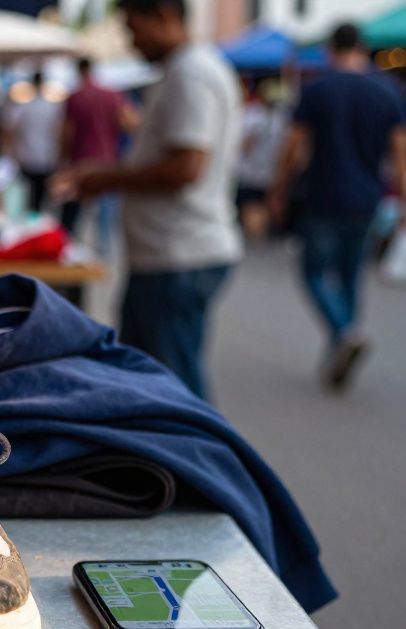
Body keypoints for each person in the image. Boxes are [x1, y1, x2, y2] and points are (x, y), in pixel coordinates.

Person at [51, 0, 242, 400]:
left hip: (178, 254)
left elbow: (185, 167)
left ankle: (194, 444)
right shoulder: (185, 70)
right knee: (148, 380)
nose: (131, 41)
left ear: (164, 17)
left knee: (173, 390)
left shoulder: (191, 73)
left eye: (134, 28)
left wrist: (107, 177)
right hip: (168, 254)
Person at [268, 24, 406, 392]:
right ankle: (344, 341)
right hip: (367, 199)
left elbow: (293, 148)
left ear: (330, 49)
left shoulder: (317, 89)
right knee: (350, 276)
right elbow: (402, 153)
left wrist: (278, 190)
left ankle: (344, 333)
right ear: (363, 49)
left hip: (323, 196)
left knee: (314, 273)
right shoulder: (388, 90)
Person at [58, 57, 138, 253]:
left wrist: (62, 160)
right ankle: (104, 256)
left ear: (78, 71)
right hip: (107, 161)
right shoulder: (112, 94)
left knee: (73, 218)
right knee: (105, 220)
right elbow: (129, 123)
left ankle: (71, 254)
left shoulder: (76, 97)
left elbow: (67, 132)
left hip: (81, 161)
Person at [0, 72, 63, 212]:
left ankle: (32, 219)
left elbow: (9, 130)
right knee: (41, 198)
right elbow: (59, 132)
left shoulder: (24, 108)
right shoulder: (52, 108)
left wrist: (10, 151)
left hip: (27, 157)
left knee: (29, 198)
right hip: (46, 158)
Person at [236, 79, 289, 245]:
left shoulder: (252, 116)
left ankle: (253, 243)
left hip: (250, 172)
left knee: (251, 208)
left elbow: (244, 145)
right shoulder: (283, 120)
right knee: (261, 207)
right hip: (270, 172)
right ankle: (258, 241)